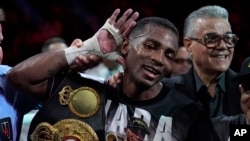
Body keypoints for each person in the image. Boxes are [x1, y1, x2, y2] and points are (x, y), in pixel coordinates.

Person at [7, 8, 200, 141]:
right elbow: (19, 77)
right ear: (125, 47)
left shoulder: (185, 112)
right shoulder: (86, 90)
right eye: (150, 46)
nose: (159, 59)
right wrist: (84, 50)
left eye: (169, 55)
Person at [160, 5, 242, 141]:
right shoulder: (164, 91)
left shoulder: (246, 91)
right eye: (211, 39)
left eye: (228, 39)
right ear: (188, 44)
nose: (223, 46)